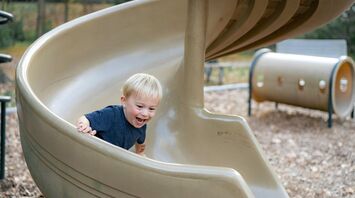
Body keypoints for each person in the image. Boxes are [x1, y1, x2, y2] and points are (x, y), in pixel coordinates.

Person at [76, 73, 162, 156]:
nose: (145, 114)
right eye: (139, 106)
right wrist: (84, 126)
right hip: (95, 152)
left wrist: (140, 153)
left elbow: (140, 143)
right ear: (124, 101)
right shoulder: (111, 114)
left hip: (114, 159)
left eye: (151, 108)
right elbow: (85, 118)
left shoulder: (141, 125)